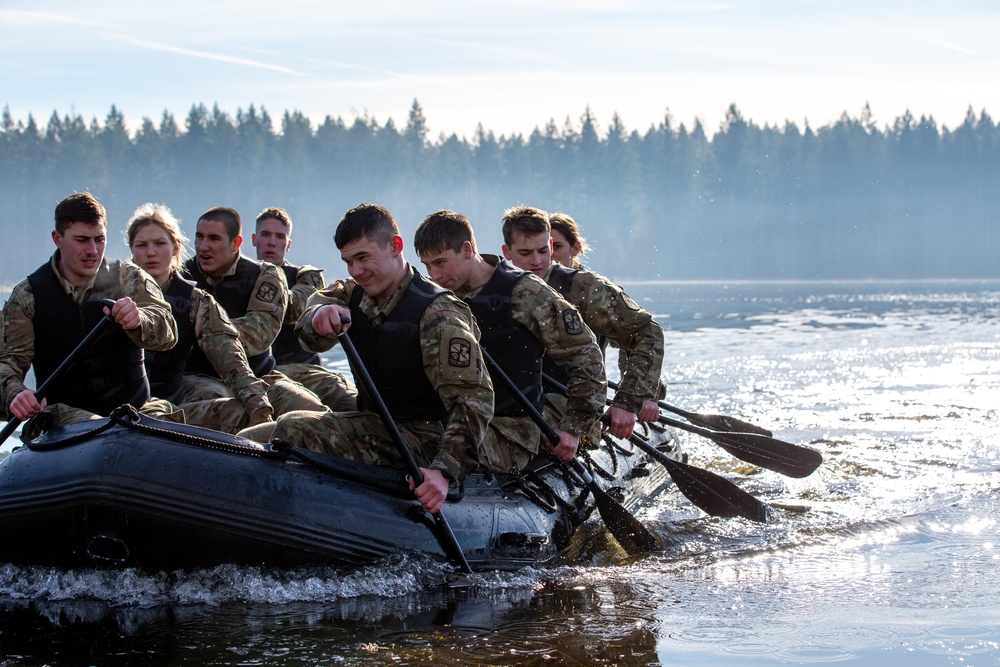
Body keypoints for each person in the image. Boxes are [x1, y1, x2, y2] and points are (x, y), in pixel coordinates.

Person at [238, 203, 494, 515]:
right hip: (377, 423)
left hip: (422, 442)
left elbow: (474, 400)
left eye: (363, 258)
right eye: (348, 262)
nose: (356, 271)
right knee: (248, 441)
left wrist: (444, 472)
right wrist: (319, 314)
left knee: (294, 428)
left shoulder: (438, 313)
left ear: (395, 246)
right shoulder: (353, 293)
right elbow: (313, 312)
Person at [414, 210, 607, 474]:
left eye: (440, 263)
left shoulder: (525, 292)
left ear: (467, 249)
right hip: (461, 424)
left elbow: (585, 354)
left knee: (435, 453)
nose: (434, 275)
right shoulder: (440, 299)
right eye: (427, 266)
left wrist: (573, 427)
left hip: (517, 431)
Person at [0, 192, 178, 429]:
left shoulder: (128, 277)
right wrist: (16, 392)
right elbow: (7, 363)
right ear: (57, 238)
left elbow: (168, 331)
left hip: (135, 411)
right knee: (103, 433)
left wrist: (140, 320)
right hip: (65, 418)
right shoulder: (28, 296)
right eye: (82, 240)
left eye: (99, 239)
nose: (93, 250)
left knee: (142, 428)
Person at [501, 206, 664, 439]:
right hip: (520, 408)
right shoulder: (497, 289)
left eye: (543, 250)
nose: (536, 261)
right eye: (525, 253)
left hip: (572, 411)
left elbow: (648, 332)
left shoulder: (583, 287)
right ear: (507, 252)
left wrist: (629, 401)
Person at [125, 203, 273, 431]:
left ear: (175, 248)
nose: (150, 253)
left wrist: (258, 405)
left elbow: (231, 357)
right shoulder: (114, 292)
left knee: (239, 411)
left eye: (159, 244)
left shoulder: (197, 301)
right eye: (141, 245)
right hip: (120, 405)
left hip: (173, 399)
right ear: (132, 249)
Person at [181, 206, 327, 418]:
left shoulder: (264, 275)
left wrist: (207, 329)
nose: (204, 247)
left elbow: (258, 333)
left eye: (214, 239)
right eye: (199, 237)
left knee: (314, 414)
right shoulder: (180, 277)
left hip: (261, 376)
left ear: (235, 243)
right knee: (232, 411)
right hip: (201, 377)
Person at [251, 207, 357, 411]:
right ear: (254, 239)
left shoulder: (305, 277)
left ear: (288, 244)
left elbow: (299, 307)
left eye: (279, 236)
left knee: (349, 401)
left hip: (305, 370)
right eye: (265, 235)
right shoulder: (238, 278)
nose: (271, 242)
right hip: (259, 374)